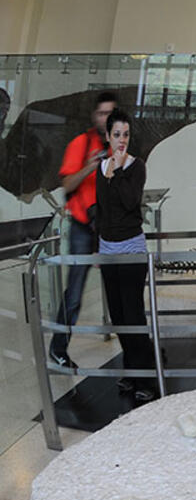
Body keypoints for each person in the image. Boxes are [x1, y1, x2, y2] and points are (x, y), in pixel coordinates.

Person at [49, 90, 117, 369]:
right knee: (75, 292)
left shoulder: (118, 145)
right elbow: (67, 185)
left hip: (109, 228)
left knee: (120, 290)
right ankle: (58, 348)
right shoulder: (80, 143)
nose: (106, 118)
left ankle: (137, 349)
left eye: (110, 113)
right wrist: (90, 166)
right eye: (101, 113)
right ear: (94, 115)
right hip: (81, 228)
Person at [96, 107, 158, 403]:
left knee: (133, 314)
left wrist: (119, 170)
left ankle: (146, 378)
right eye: (117, 134)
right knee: (119, 315)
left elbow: (130, 201)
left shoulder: (136, 166)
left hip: (130, 247)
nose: (122, 140)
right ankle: (132, 372)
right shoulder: (101, 167)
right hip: (107, 248)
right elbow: (106, 206)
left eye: (126, 134)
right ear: (107, 136)